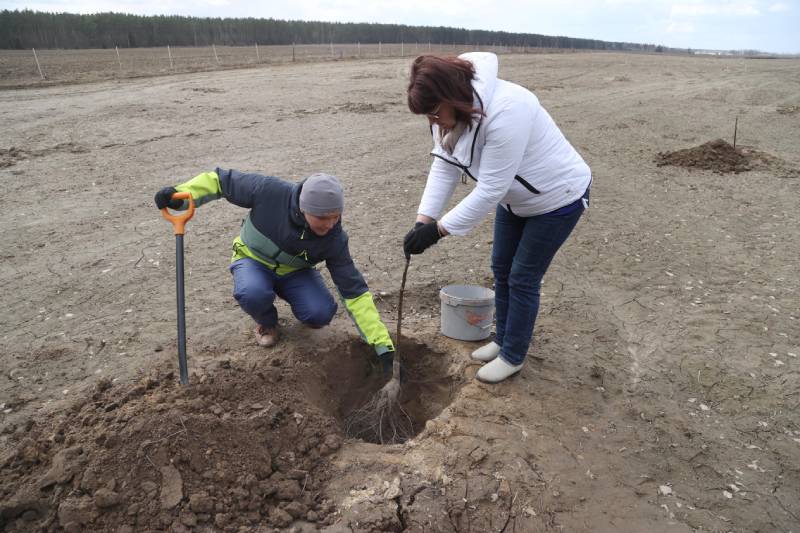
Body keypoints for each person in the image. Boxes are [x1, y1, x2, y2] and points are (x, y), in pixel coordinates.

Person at [403, 52, 591, 384]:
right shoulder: (448, 115)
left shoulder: (508, 110)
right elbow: (444, 165)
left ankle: (513, 355)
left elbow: (489, 189)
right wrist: (423, 220)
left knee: (522, 277)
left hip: (557, 198)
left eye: (434, 114)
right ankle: (502, 339)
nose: (433, 122)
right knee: (501, 268)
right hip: (515, 200)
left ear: (450, 96)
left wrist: (437, 231)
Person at [154, 169, 395, 371]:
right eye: (322, 217)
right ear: (304, 208)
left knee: (320, 313)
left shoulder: (335, 239)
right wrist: (182, 196)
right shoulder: (269, 192)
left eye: (335, 217)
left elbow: (354, 290)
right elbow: (220, 180)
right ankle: (267, 322)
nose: (330, 224)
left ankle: (298, 300)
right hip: (252, 260)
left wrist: (381, 343)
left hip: (295, 272)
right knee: (252, 293)